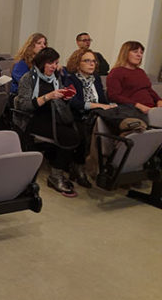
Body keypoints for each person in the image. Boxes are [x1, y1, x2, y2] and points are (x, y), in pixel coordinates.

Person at [14, 47, 82, 196]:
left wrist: (66, 96)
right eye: (50, 63)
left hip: (54, 116)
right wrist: (47, 97)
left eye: (56, 63)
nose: (54, 66)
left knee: (79, 132)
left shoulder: (55, 78)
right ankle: (56, 175)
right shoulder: (28, 78)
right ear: (42, 63)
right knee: (69, 136)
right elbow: (24, 105)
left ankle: (63, 168)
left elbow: (59, 99)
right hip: (33, 118)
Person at [63, 48, 116, 187]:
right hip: (78, 116)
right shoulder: (70, 79)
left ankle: (106, 168)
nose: (91, 64)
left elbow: (103, 101)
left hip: (96, 115)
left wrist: (108, 106)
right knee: (84, 132)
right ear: (77, 63)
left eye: (93, 61)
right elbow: (74, 103)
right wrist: (96, 106)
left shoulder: (96, 79)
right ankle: (79, 166)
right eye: (87, 61)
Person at [106, 41, 162, 114]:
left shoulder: (140, 71)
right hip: (133, 109)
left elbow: (149, 90)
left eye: (141, 53)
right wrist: (137, 105)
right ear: (126, 53)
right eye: (135, 52)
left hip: (151, 108)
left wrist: (159, 100)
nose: (139, 55)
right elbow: (114, 96)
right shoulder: (116, 72)